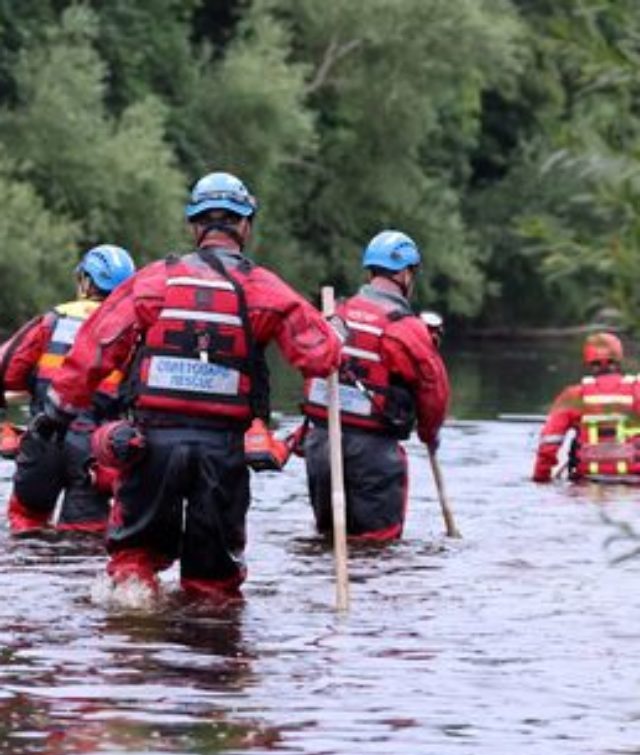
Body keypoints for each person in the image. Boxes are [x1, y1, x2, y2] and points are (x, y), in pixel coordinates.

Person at [39, 171, 342, 598]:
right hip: (222, 453)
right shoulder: (264, 289)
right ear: (245, 225)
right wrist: (334, 333)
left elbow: (94, 348)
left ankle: (133, 635)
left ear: (195, 226)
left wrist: (56, 415)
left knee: (132, 563)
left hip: (149, 447)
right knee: (213, 586)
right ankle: (206, 653)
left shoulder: (153, 281)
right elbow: (321, 357)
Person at [301, 230, 450, 541]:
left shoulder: (334, 314)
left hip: (320, 445)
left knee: (329, 540)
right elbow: (433, 392)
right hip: (373, 454)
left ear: (370, 271)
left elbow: (309, 372)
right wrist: (429, 434)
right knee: (377, 547)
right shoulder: (405, 328)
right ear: (406, 274)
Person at [0, 245, 135, 535]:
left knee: (27, 527)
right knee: (84, 538)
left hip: (44, 439)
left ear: (86, 281)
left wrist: (38, 385)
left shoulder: (53, 319)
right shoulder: (133, 330)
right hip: (94, 453)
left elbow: (8, 370)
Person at [533, 331, 640, 483]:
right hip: (634, 486)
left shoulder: (573, 395)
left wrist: (540, 477)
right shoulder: (637, 391)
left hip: (587, 485)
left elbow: (549, 444)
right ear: (619, 359)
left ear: (588, 362)